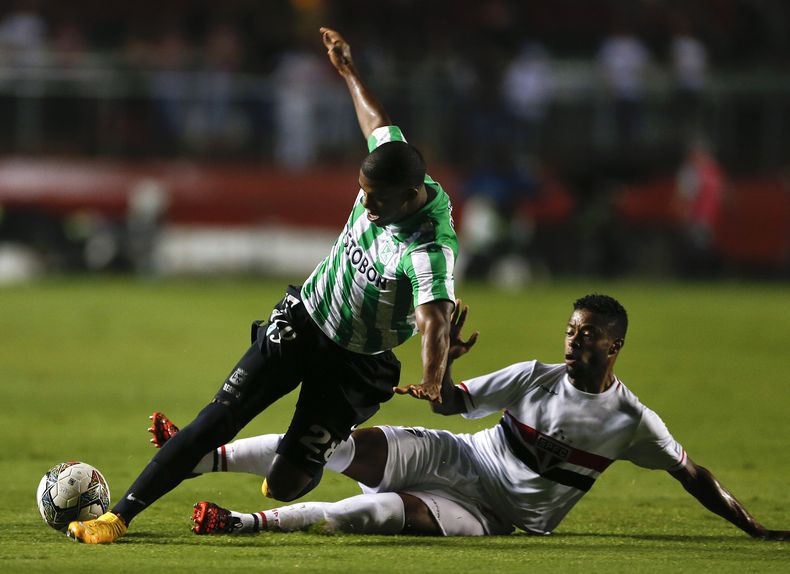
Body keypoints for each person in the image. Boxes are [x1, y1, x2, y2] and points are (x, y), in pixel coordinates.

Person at [67, 27, 458, 544]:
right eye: (361, 192)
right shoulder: (392, 164)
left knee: (286, 483)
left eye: (377, 200)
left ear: (410, 196)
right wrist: (347, 70)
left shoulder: (428, 247)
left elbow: (435, 317)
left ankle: (204, 454)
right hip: (306, 317)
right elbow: (377, 122)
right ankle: (117, 517)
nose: (365, 205)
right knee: (220, 415)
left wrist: (434, 375)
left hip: (359, 363)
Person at [159, 295, 786, 540]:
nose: (574, 341)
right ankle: (195, 455)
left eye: (588, 335)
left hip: (493, 515)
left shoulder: (631, 420)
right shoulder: (535, 375)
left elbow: (691, 473)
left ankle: (242, 522)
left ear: (614, 346)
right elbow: (450, 403)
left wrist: (752, 529)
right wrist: (444, 371)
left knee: (375, 516)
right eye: (571, 330)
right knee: (337, 445)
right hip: (459, 455)